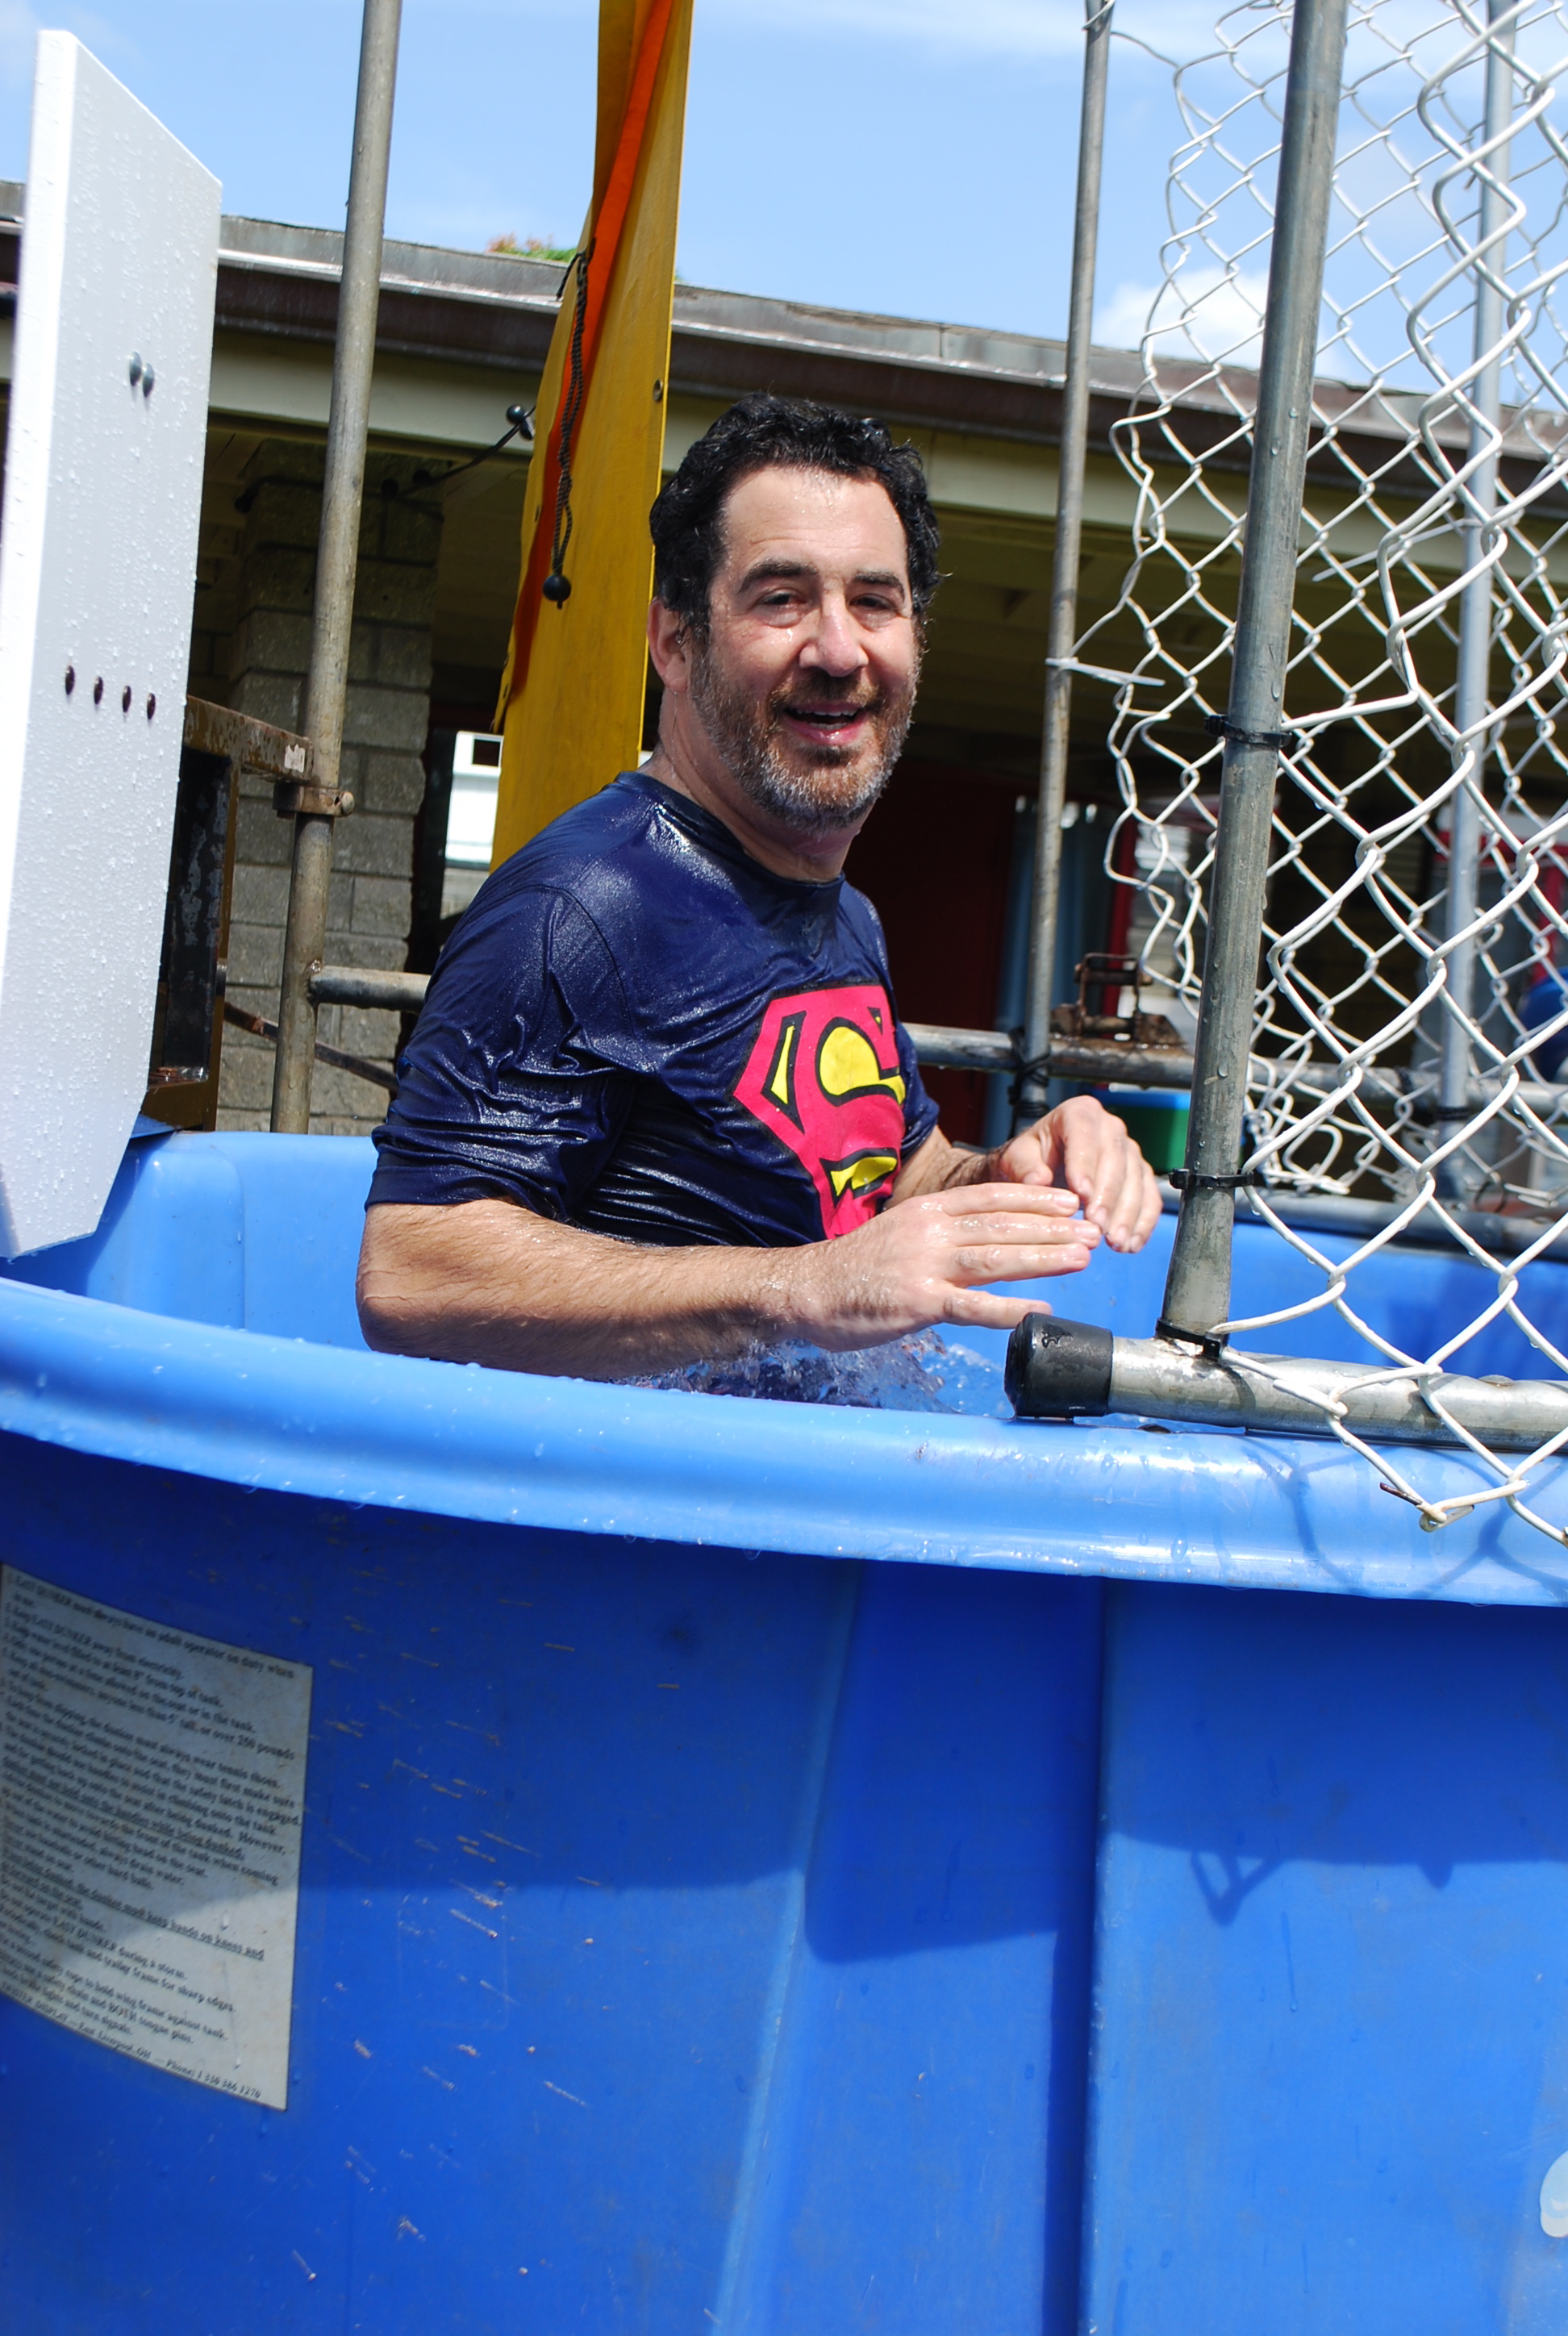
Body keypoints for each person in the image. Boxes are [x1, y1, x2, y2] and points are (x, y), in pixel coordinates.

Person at [357, 394, 1161, 1379]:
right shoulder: (583, 908)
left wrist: (1009, 1169)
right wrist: (799, 1288)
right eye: (781, 598)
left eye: (875, 602)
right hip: (633, 1479)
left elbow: (886, 1180)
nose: (839, 649)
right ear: (676, 641)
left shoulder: (845, 916)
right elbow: (413, 1269)